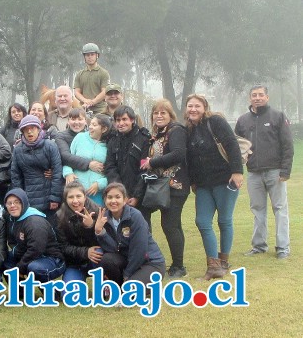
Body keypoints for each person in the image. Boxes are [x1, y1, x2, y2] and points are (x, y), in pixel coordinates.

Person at [185, 94, 243, 280]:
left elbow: (232, 144)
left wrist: (237, 171)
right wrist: (193, 180)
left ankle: (223, 262)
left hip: (225, 179)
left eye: (197, 106)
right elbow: (190, 159)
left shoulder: (215, 121)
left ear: (205, 107)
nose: (193, 109)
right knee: (202, 222)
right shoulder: (189, 129)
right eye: (190, 106)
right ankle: (214, 265)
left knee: (224, 221)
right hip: (203, 185)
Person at [235, 85, 294, 259]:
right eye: (254, 95)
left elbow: (287, 145)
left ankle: (283, 247)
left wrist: (285, 171)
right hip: (253, 173)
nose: (257, 98)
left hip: (275, 172)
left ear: (267, 97)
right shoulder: (243, 120)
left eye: (261, 95)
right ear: (249, 98)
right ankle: (259, 246)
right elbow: (236, 147)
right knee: (257, 210)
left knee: (280, 209)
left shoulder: (278, 116)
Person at [140, 99, 190, 278]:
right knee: (159, 220)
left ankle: (178, 266)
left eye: (163, 113)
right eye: (156, 113)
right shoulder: (158, 134)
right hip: (161, 186)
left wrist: (152, 162)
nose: (159, 116)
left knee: (170, 224)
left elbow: (178, 154)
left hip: (176, 186)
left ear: (170, 115)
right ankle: (153, 259)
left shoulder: (176, 131)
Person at [94, 183, 165, 286]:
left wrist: (127, 275)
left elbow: (139, 250)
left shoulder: (135, 216)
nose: (113, 201)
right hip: (127, 261)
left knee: (131, 289)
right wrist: (100, 232)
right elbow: (113, 249)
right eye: (109, 197)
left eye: (117, 197)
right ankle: (118, 288)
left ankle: (128, 285)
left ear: (125, 200)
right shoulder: (103, 218)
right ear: (105, 200)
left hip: (149, 262)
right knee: (107, 259)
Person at [4, 188, 65, 283]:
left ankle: (51, 293)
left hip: (50, 258)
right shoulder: (11, 219)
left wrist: (20, 267)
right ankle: (20, 293)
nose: (13, 206)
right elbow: (14, 243)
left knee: (34, 268)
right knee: (4, 259)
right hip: (29, 254)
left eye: (17, 202)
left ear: (23, 202)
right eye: (9, 203)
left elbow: (36, 249)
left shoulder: (34, 222)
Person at [51, 182, 101, 293]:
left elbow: (105, 241)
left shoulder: (97, 212)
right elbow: (63, 247)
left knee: (100, 251)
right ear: (65, 199)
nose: (75, 201)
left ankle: (104, 282)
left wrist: (90, 227)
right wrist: (85, 252)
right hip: (75, 262)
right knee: (70, 296)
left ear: (85, 196)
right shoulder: (60, 217)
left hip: (96, 259)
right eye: (71, 197)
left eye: (78, 196)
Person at [11, 115, 63, 222]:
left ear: (39, 129)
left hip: (49, 196)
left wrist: (55, 197)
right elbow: (16, 176)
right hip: (28, 197)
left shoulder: (50, 146)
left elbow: (57, 172)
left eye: (33, 128)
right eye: (26, 129)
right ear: (22, 132)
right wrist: (20, 198)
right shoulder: (18, 150)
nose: (30, 132)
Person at [104, 106, 151, 222]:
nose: (121, 123)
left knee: (142, 228)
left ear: (132, 120)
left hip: (139, 196)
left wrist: (136, 196)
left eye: (124, 119)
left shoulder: (144, 140)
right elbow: (110, 167)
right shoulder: (112, 141)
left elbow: (144, 169)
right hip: (119, 196)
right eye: (118, 120)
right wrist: (120, 192)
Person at [63, 114, 111, 206]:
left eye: (94, 125)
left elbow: (111, 170)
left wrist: (100, 184)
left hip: (96, 194)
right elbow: (68, 159)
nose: (90, 127)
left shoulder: (109, 145)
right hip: (76, 192)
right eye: (90, 124)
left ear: (104, 129)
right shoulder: (80, 138)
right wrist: (68, 173)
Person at [74, 43, 110, 115]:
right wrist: (85, 100)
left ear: (97, 55)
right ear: (84, 57)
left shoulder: (104, 73)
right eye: (87, 55)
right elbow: (76, 92)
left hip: (100, 110)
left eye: (92, 54)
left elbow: (104, 92)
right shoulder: (79, 74)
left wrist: (93, 102)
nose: (90, 57)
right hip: (83, 109)